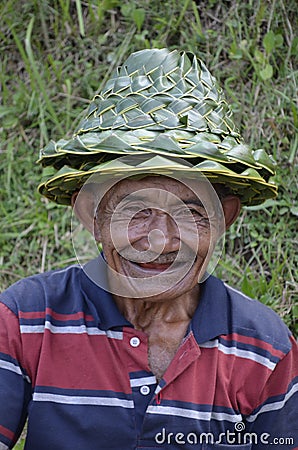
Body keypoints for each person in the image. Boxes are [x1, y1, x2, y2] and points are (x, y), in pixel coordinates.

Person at [0, 49, 296, 450]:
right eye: (137, 211)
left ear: (223, 219)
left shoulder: (266, 349)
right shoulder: (27, 319)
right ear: (92, 216)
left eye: (191, 213)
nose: (162, 240)